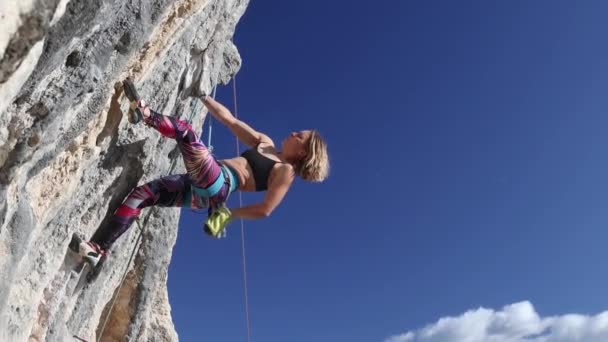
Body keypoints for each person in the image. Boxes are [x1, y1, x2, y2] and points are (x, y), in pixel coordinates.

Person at [69, 78, 330, 281]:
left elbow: (266, 209)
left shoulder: (285, 170)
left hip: (219, 184)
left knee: (186, 133)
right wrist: (202, 95)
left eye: (300, 136)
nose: (294, 132)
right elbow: (230, 121)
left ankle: (145, 113)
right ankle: (98, 250)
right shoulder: (266, 143)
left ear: (304, 152)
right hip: (201, 190)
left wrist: (228, 215)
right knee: (142, 195)